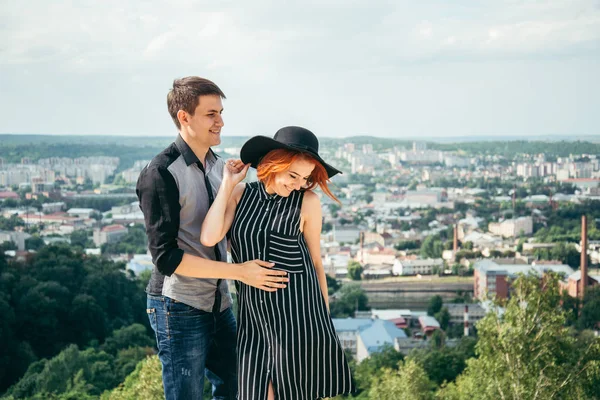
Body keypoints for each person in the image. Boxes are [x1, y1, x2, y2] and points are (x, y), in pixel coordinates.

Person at [136, 77, 289, 400]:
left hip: (219, 303)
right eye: (211, 114)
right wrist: (241, 272)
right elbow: (167, 259)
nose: (220, 121)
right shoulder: (160, 173)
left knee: (241, 387)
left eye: (220, 112)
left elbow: (233, 230)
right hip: (177, 305)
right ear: (184, 117)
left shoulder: (221, 168)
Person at [201, 126, 355, 400]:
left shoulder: (307, 201)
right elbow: (210, 236)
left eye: (305, 178)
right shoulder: (240, 195)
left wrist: (325, 321)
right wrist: (227, 184)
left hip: (300, 318)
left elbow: (316, 263)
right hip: (254, 320)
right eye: (293, 175)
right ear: (274, 162)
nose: (298, 184)